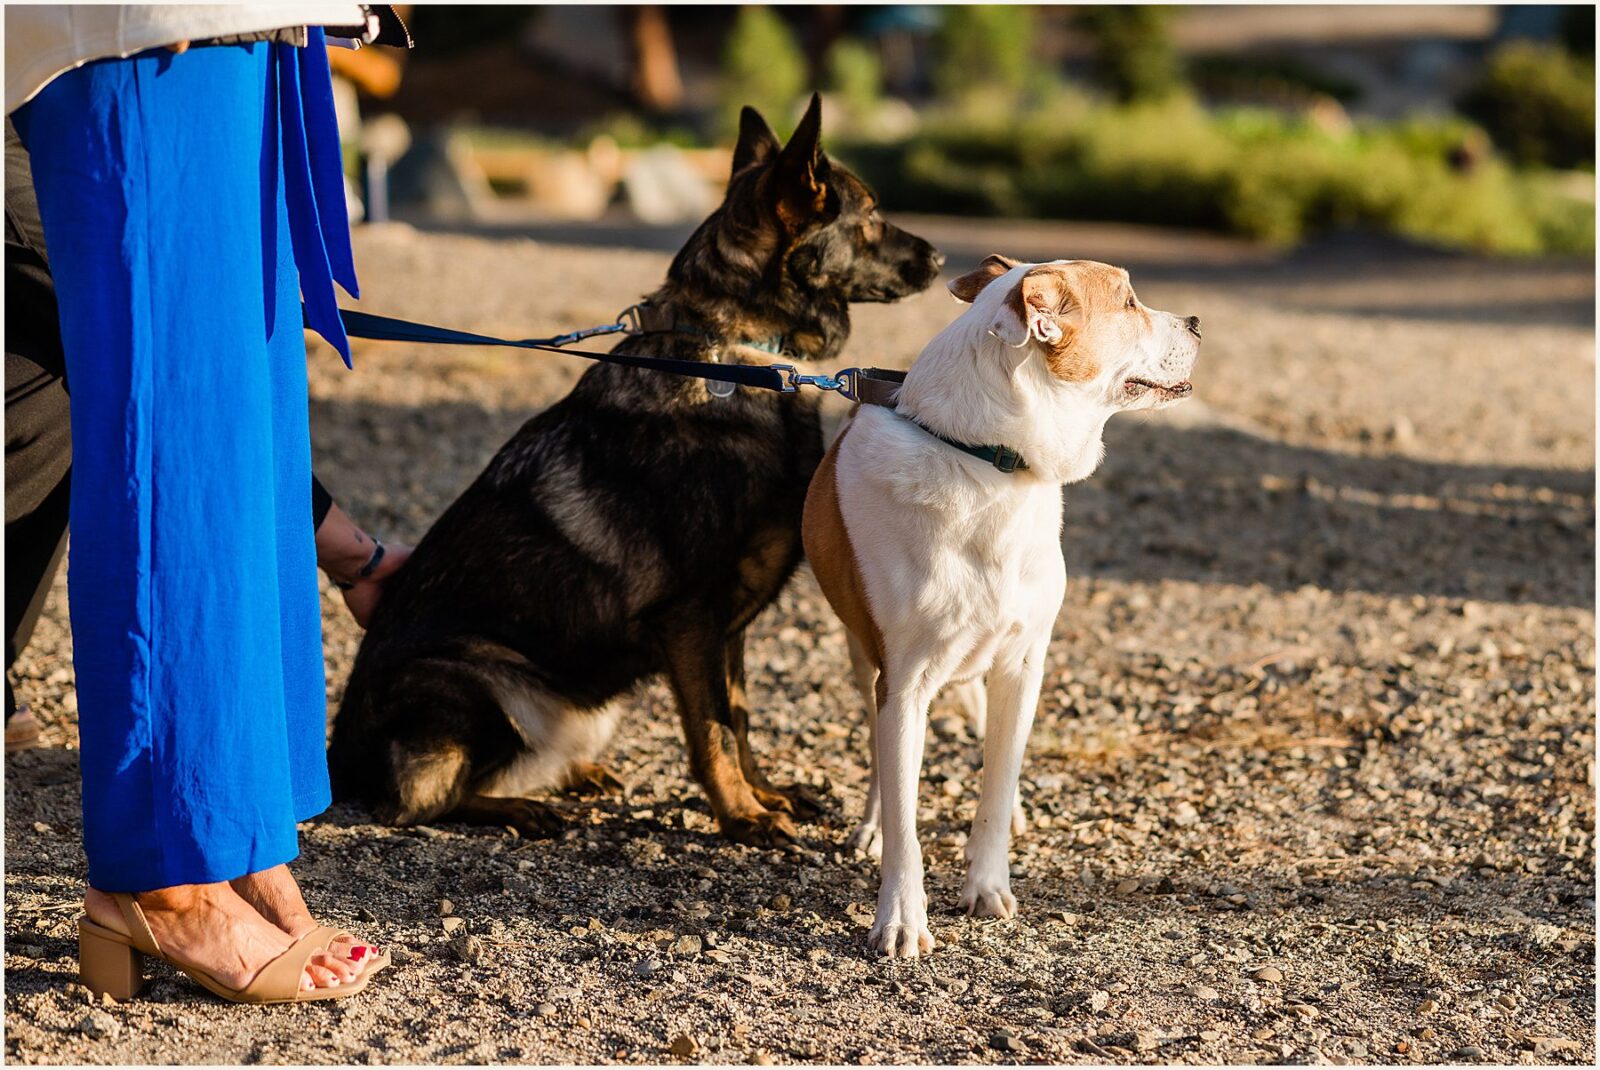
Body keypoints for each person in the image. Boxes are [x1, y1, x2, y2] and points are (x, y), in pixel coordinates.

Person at [7, 5, 410, 1003]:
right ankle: (163, 871)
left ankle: (229, 831)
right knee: (173, 427)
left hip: (255, 25)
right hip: (146, 24)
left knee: (238, 425)